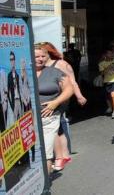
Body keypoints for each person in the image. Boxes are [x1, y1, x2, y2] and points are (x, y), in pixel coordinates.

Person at [41, 43, 86, 171]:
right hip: (50, 100)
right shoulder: (40, 66)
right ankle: (64, 154)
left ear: (49, 53)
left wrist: (79, 96)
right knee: (58, 127)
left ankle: (60, 156)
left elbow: (72, 82)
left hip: (60, 100)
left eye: (42, 54)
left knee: (55, 126)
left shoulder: (61, 64)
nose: (40, 57)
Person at [34, 43, 73, 173]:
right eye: (36, 56)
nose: (40, 59)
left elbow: (69, 89)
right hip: (28, 119)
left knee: (45, 152)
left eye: (43, 56)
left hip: (49, 118)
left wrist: (55, 102)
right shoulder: (23, 72)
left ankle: (45, 185)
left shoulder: (55, 72)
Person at [99, 47, 114, 118]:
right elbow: (102, 73)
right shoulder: (102, 64)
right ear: (105, 55)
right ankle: (111, 107)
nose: (112, 54)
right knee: (109, 96)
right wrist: (109, 67)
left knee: (113, 95)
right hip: (107, 81)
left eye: (112, 53)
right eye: (109, 53)